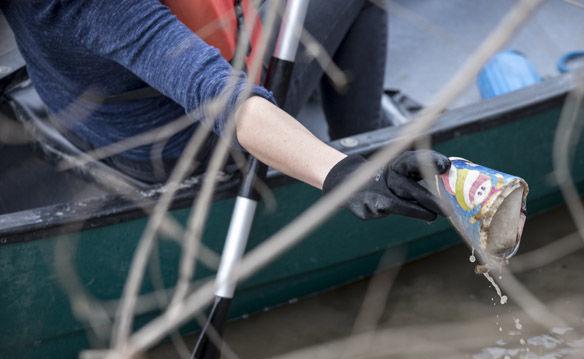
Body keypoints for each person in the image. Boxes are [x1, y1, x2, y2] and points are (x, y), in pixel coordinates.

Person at [0, 0, 449, 221]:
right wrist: (345, 173)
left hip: (88, 118)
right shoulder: (103, 8)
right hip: (184, 145)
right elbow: (221, 99)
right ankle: (363, 138)